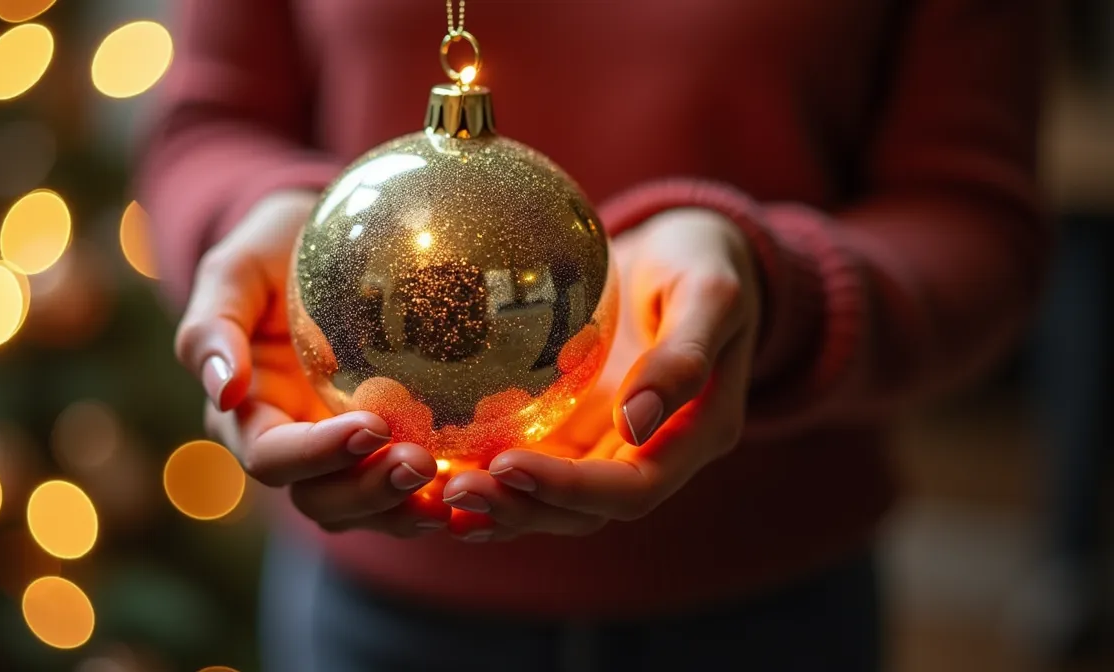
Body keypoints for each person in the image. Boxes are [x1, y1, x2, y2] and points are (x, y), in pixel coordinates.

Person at [138, 1, 1046, 670]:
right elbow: (210, 123)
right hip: (375, 607)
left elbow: (979, 220)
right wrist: (262, 218)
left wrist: (774, 291)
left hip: (766, 602)